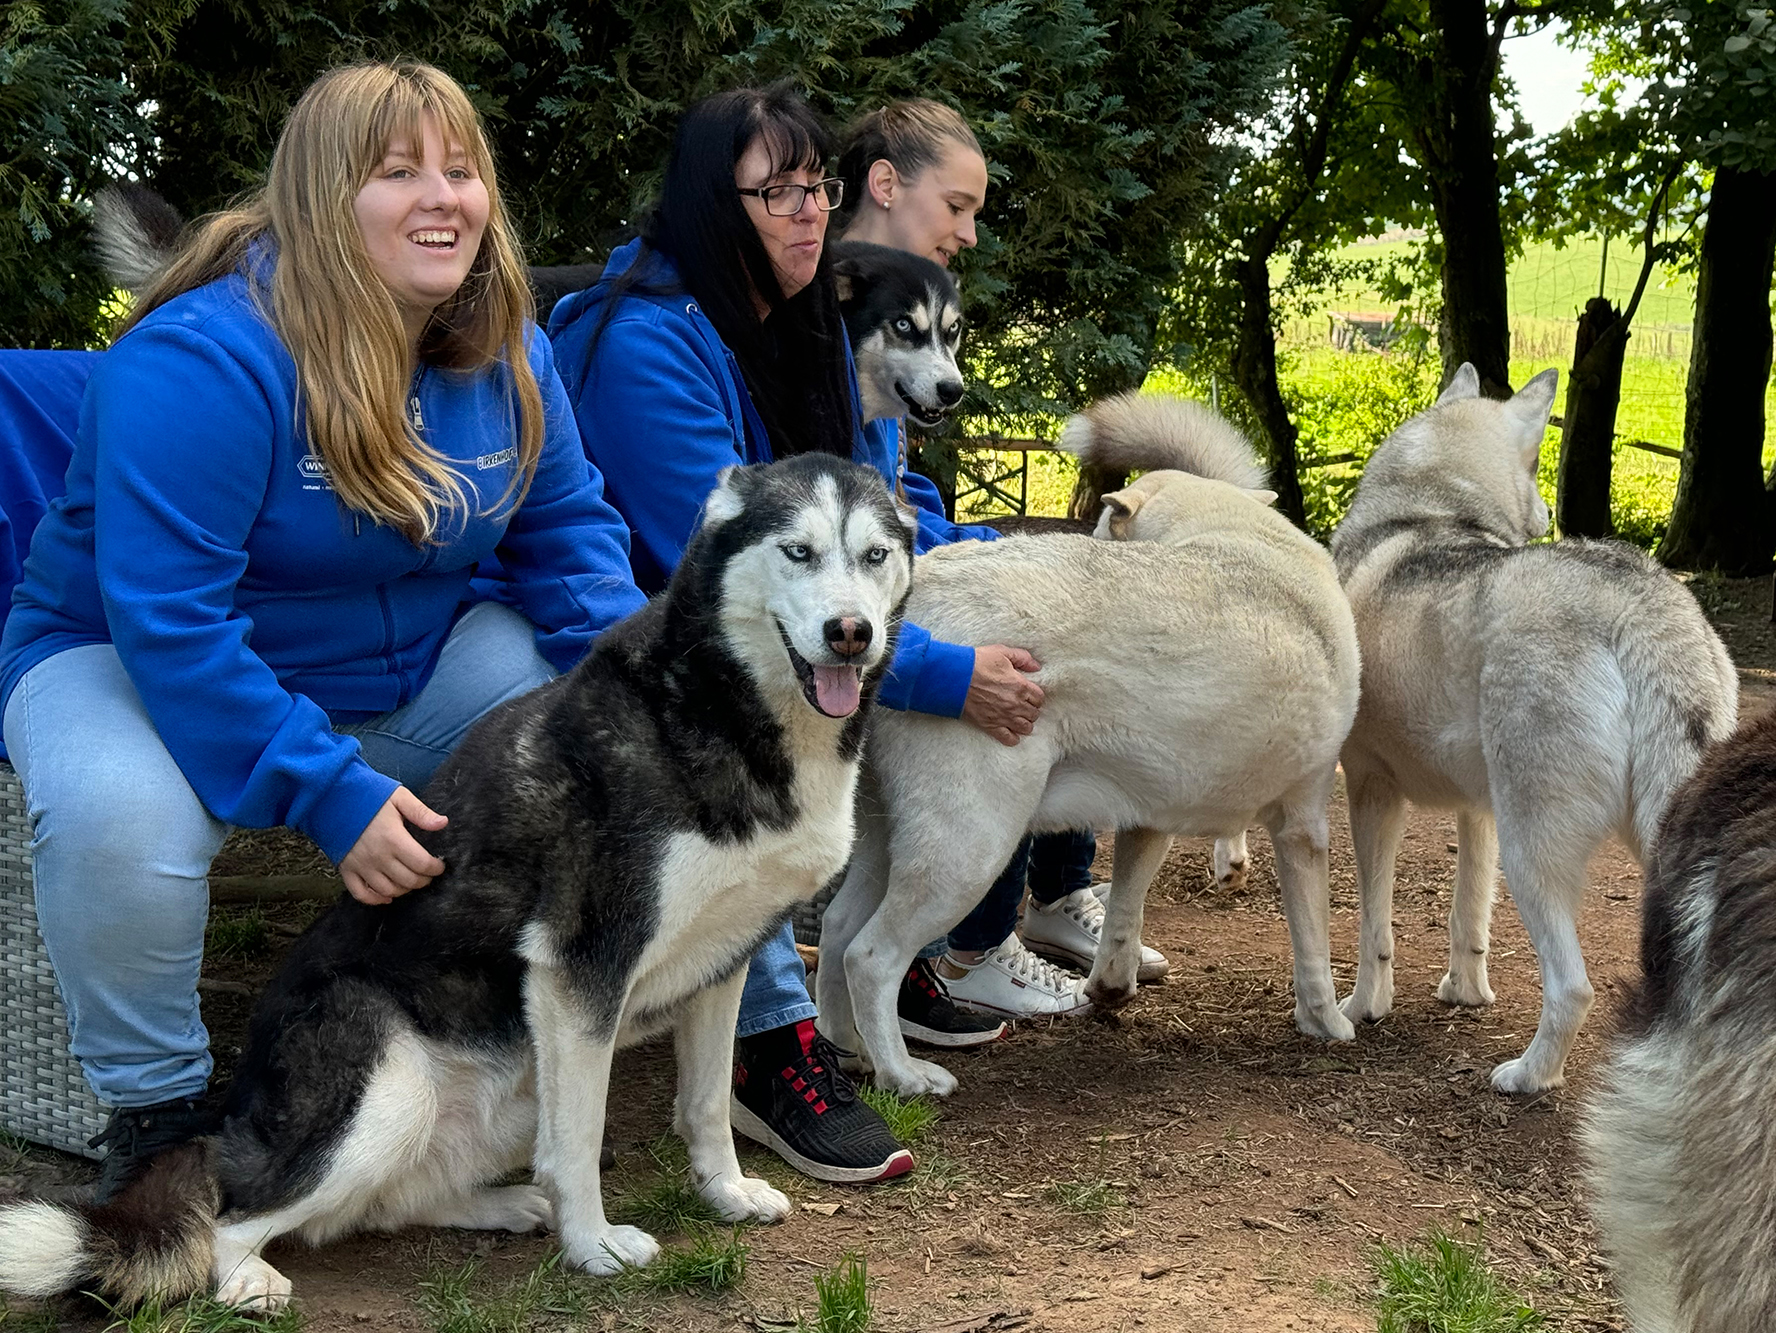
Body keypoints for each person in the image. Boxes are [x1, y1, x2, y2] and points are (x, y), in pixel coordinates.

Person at [0, 61, 647, 1201]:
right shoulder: (200, 362)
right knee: (119, 820)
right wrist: (328, 789)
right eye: (397, 173)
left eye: (460, 170)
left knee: (591, 739)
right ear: (318, 202)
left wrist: (661, 698)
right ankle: (159, 1125)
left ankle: (464, 1051)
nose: (442, 197)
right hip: (126, 658)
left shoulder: (509, 349)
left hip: (403, 658)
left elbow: (569, 543)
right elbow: (172, 622)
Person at [547, 83, 1034, 1186]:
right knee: (738, 734)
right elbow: (723, 578)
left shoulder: (786, 323)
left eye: (814, 185)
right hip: (633, 633)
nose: (810, 211)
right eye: (775, 191)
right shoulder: (647, 344)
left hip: (762, 629)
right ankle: (773, 1049)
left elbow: (857, 524)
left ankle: (896, 959)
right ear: (711, 209)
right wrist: (948, 675)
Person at [834, 100, 1170, 1015]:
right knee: (1016, 632)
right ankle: (975, 940)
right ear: (886, 184)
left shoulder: (898, 308)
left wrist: (973, 542)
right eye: (959, 205)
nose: (970, 232)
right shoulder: (838, 317)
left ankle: (1057, 887)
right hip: (848, 621)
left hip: (887, 581)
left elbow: (895, 493)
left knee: (1052, 588)